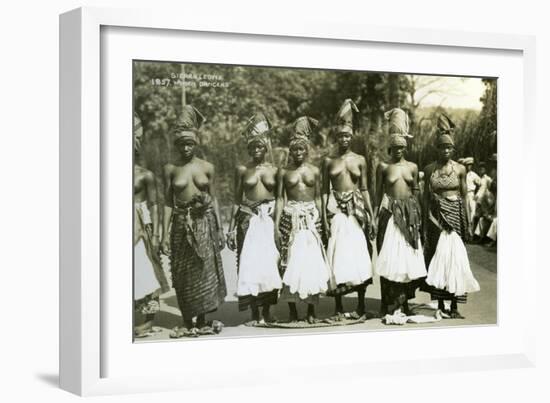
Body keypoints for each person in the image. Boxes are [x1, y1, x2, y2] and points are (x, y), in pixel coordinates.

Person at [160, 105, 227, 337]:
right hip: (180, 224)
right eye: (182, 144)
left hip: (204, 223)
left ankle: (203, 318)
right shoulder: (170, 169)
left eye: (190, 143)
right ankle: (188, 320)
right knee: (184, 273)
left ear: (196, 144)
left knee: (204, 271)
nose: (186, 148)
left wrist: (219, 229)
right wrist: (162, 235)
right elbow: (168, 202)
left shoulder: (207, 168)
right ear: (177, 145)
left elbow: (215, 199)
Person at [422, 114, 480, 319]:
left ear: (453, 150)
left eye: (448, 148)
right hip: (436, 218)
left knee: (456, 260)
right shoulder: (430, 169)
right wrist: (428, 222)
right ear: (436, 149)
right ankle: (439, 303)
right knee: (438, 260)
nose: (445, 151)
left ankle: (454, 305)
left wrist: (468, 223)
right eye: (441, 147)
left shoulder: (461, 169)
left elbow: (464, 197)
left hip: (456, 216)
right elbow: (426, 200)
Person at [226, 113, 282, 324]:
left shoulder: (275, 170)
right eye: (253, 148)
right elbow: (236, 199)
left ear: (265, 148)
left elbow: (280, 197)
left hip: (268, 218)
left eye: (260, 147)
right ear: (248, 149)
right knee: (249, 265)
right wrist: (231, 229)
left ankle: (267, 311)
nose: (257, 150)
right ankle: (254, 313)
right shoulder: (242, 170)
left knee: (269, 263)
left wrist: (278, 223)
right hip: (247, 220)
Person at [274, 116, 331, 324]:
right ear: (290, 151)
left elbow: (317, 197)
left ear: (306, 150)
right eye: (294, 150)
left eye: (301, 149)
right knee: (289, 263)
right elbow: (280, 198)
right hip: (290, 218)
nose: (298, 153)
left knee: (311, 263)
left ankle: (310, 310)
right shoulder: (284, 172)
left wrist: (323, 220)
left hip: (311, 219)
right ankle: (291, 309)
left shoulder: (314, 171)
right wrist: (276, 226)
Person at [322, 99, 374, 319]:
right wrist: (324, 217)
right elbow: (324, 190)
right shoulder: (328, 161)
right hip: (336, 210)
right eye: (340, 136)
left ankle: (361, 303)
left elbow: (364, 188)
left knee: (359, 254)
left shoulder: (360, 160)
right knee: (337, 254)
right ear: (336, 138)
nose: (344, 139)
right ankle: (338, 307)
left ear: (352, 137)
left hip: (356, 211)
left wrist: (371, 214)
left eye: (347, 136)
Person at [375, 108, 427, 316]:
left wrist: (419, 216)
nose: (397, 150)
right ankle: (385, 302)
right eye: (394, 147)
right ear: (390, 147)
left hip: (409, 214)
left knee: (407, 259)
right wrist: (374, 218)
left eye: (401, 147)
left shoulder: (413, 167)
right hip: (389, 215)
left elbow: (416, 193)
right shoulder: (383, 167)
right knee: (387, 258)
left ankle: (405, 302)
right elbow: (378, 193)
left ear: (405, 148)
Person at [133, 113, 167, 337]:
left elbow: (155, 204)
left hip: (139, 229)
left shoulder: (145, 175)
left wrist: (155, 235)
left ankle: (147, 320)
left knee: (145, 270)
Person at [462, 157, 481, 237]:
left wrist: (478, 194)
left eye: (470, 165)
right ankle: (465, 233)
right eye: (467, 165)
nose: (469, 166)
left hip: (471, 194)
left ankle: (472, 234)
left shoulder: (473, 175)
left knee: (472, 214)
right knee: (465, 214)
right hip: (464, 195)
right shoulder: (462, 174)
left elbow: (481, 184)